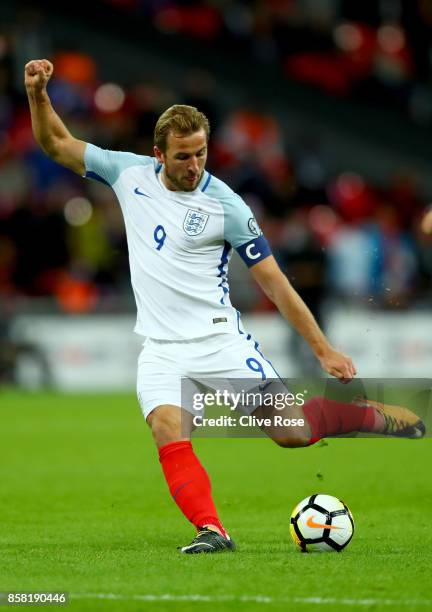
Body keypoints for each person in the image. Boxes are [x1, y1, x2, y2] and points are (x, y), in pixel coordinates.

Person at [25, 59, 425, 554]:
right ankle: (213, 530)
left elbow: (276, 283)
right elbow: (56, 144)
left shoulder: (227, 205)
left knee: (293, 434)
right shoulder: (128, 174)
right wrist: (38, 95)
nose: (194, 166)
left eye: (201, 154)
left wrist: (323, 350)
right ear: (158, 155)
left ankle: (360, 415)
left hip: (220, 341)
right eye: (183, 157)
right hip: (161, 349)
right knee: (168, 430)